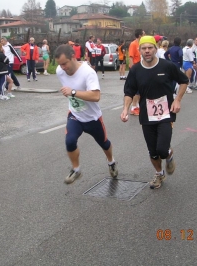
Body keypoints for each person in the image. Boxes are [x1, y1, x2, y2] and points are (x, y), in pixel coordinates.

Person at [121, 36, 188, 189]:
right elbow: (129, 91)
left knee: (162, 149)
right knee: (153, 151)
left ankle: (169, 154)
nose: (147, 51)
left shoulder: (167, 66)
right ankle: (159, 173)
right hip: (146, 115)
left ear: (155, 49)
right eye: (143, 48)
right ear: (139, 51)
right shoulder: (136, 70)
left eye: (150, 48)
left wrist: (177, 100)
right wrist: (125, 109)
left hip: (166, 113)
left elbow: (184, 81)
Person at [55, 44, 118, 184]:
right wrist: (70, 95)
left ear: (73, 57)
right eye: (60, 65)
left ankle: (111, 162)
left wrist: (73, 92)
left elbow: (96, 96)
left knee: (104, 143)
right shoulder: (60, 71)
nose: (63, 68)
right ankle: (76, 170)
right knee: (70, 141)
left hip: (92, 118)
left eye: (65, 63)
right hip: (75, 115)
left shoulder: (88, 72)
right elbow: (69, 89)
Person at [128, 28, 145, 116]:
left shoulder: (141, 44)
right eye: (143, 34)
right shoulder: (133, 44)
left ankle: (138, 105)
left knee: (140, 89)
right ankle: (133, 107)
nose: (145, 35)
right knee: (135, 90)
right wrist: (132, 69)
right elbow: (131, 57)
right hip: (135, 68)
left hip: (142, 68)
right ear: (139, 36)